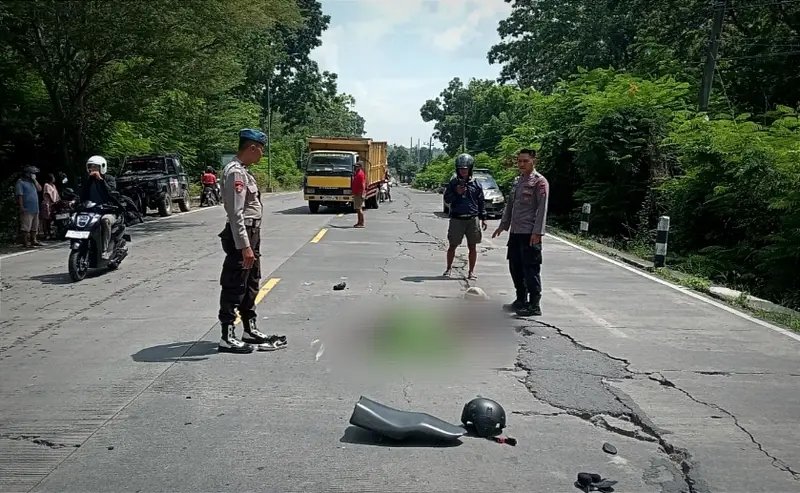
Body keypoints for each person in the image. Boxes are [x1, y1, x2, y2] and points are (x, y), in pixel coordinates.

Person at [217, 128, 286, 353]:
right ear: (252, 148)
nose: (262, 155)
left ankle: (249, 328)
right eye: (261, 150)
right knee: (235, 283)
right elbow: (236, 213)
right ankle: (227, 335)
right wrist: (245, 246)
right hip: (242, 233)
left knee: (251, 281)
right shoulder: (235, 173)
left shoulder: (245, 171)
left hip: (252, 232)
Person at [492, 149, 549, 316]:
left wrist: (537, 232)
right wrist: (504, 224)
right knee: (515, 267)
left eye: (525, 161)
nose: (521, 164)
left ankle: (534, 304)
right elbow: (511, 205)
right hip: (516, 232)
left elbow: (542, 209)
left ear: (533, 161)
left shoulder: (540, 182)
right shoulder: (518, 181)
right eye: (519, 161)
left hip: (530, 233)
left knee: (530, 268)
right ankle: (521, 300)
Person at [443, 154, 488, 280]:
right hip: (457, 218)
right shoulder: (453, 183)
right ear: (457, 169)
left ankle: (471, 271)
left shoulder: (476, 184)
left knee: (472, 246)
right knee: (453, 245)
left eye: (465, 169)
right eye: (461, 169)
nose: (463, 171)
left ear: (470, 169)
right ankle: (448, 268)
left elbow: (481, 201)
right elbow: (447, 199)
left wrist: (483, 217)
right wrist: (456, 193)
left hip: (472, 219)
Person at [78, 155, 122, 259]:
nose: (93, 169)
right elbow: (82, 195)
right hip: (92, 211)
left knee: (105, 220)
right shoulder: (87, 180)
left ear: (102, 167)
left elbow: (110, 193)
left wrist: (101, 180)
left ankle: (105, 250)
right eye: (91, 167)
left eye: (96, 167)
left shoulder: (109, 179)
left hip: (108, 210)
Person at [15, 166, 42, 248]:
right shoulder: (20, 182)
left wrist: (34, 180)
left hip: (35, 207)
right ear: (28, 174)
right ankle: (25, 242)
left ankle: (34, 240)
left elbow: (40, 189)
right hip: (27, 207)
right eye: (32, 173)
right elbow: (20, 195)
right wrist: (21, 206)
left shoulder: (32, 182)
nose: (34, 175)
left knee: (35, 225)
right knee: (26, 226)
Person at [39, 173, 60, 240]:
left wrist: (58, 201)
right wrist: (53, 201)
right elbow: (49, 195)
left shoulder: (53, 185)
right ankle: (46, 233)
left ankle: (52, 232)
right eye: (53, 177)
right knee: (46, 219)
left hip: (54, 204)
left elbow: (57, 195)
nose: (54, 178)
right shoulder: (46, 185)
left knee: (52, 218)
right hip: (47, 204)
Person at [352, 160, 366, 228]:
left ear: (360, 167)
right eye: (355, 166)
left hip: (359, 194)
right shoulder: (357, 173)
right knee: (358, 209)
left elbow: (362, 185)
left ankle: (361, 223)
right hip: (357, 193)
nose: (355, 167)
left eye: (357, 166)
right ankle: (359, 222)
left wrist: (362, 194)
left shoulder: (360, 174)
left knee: (359, 208)